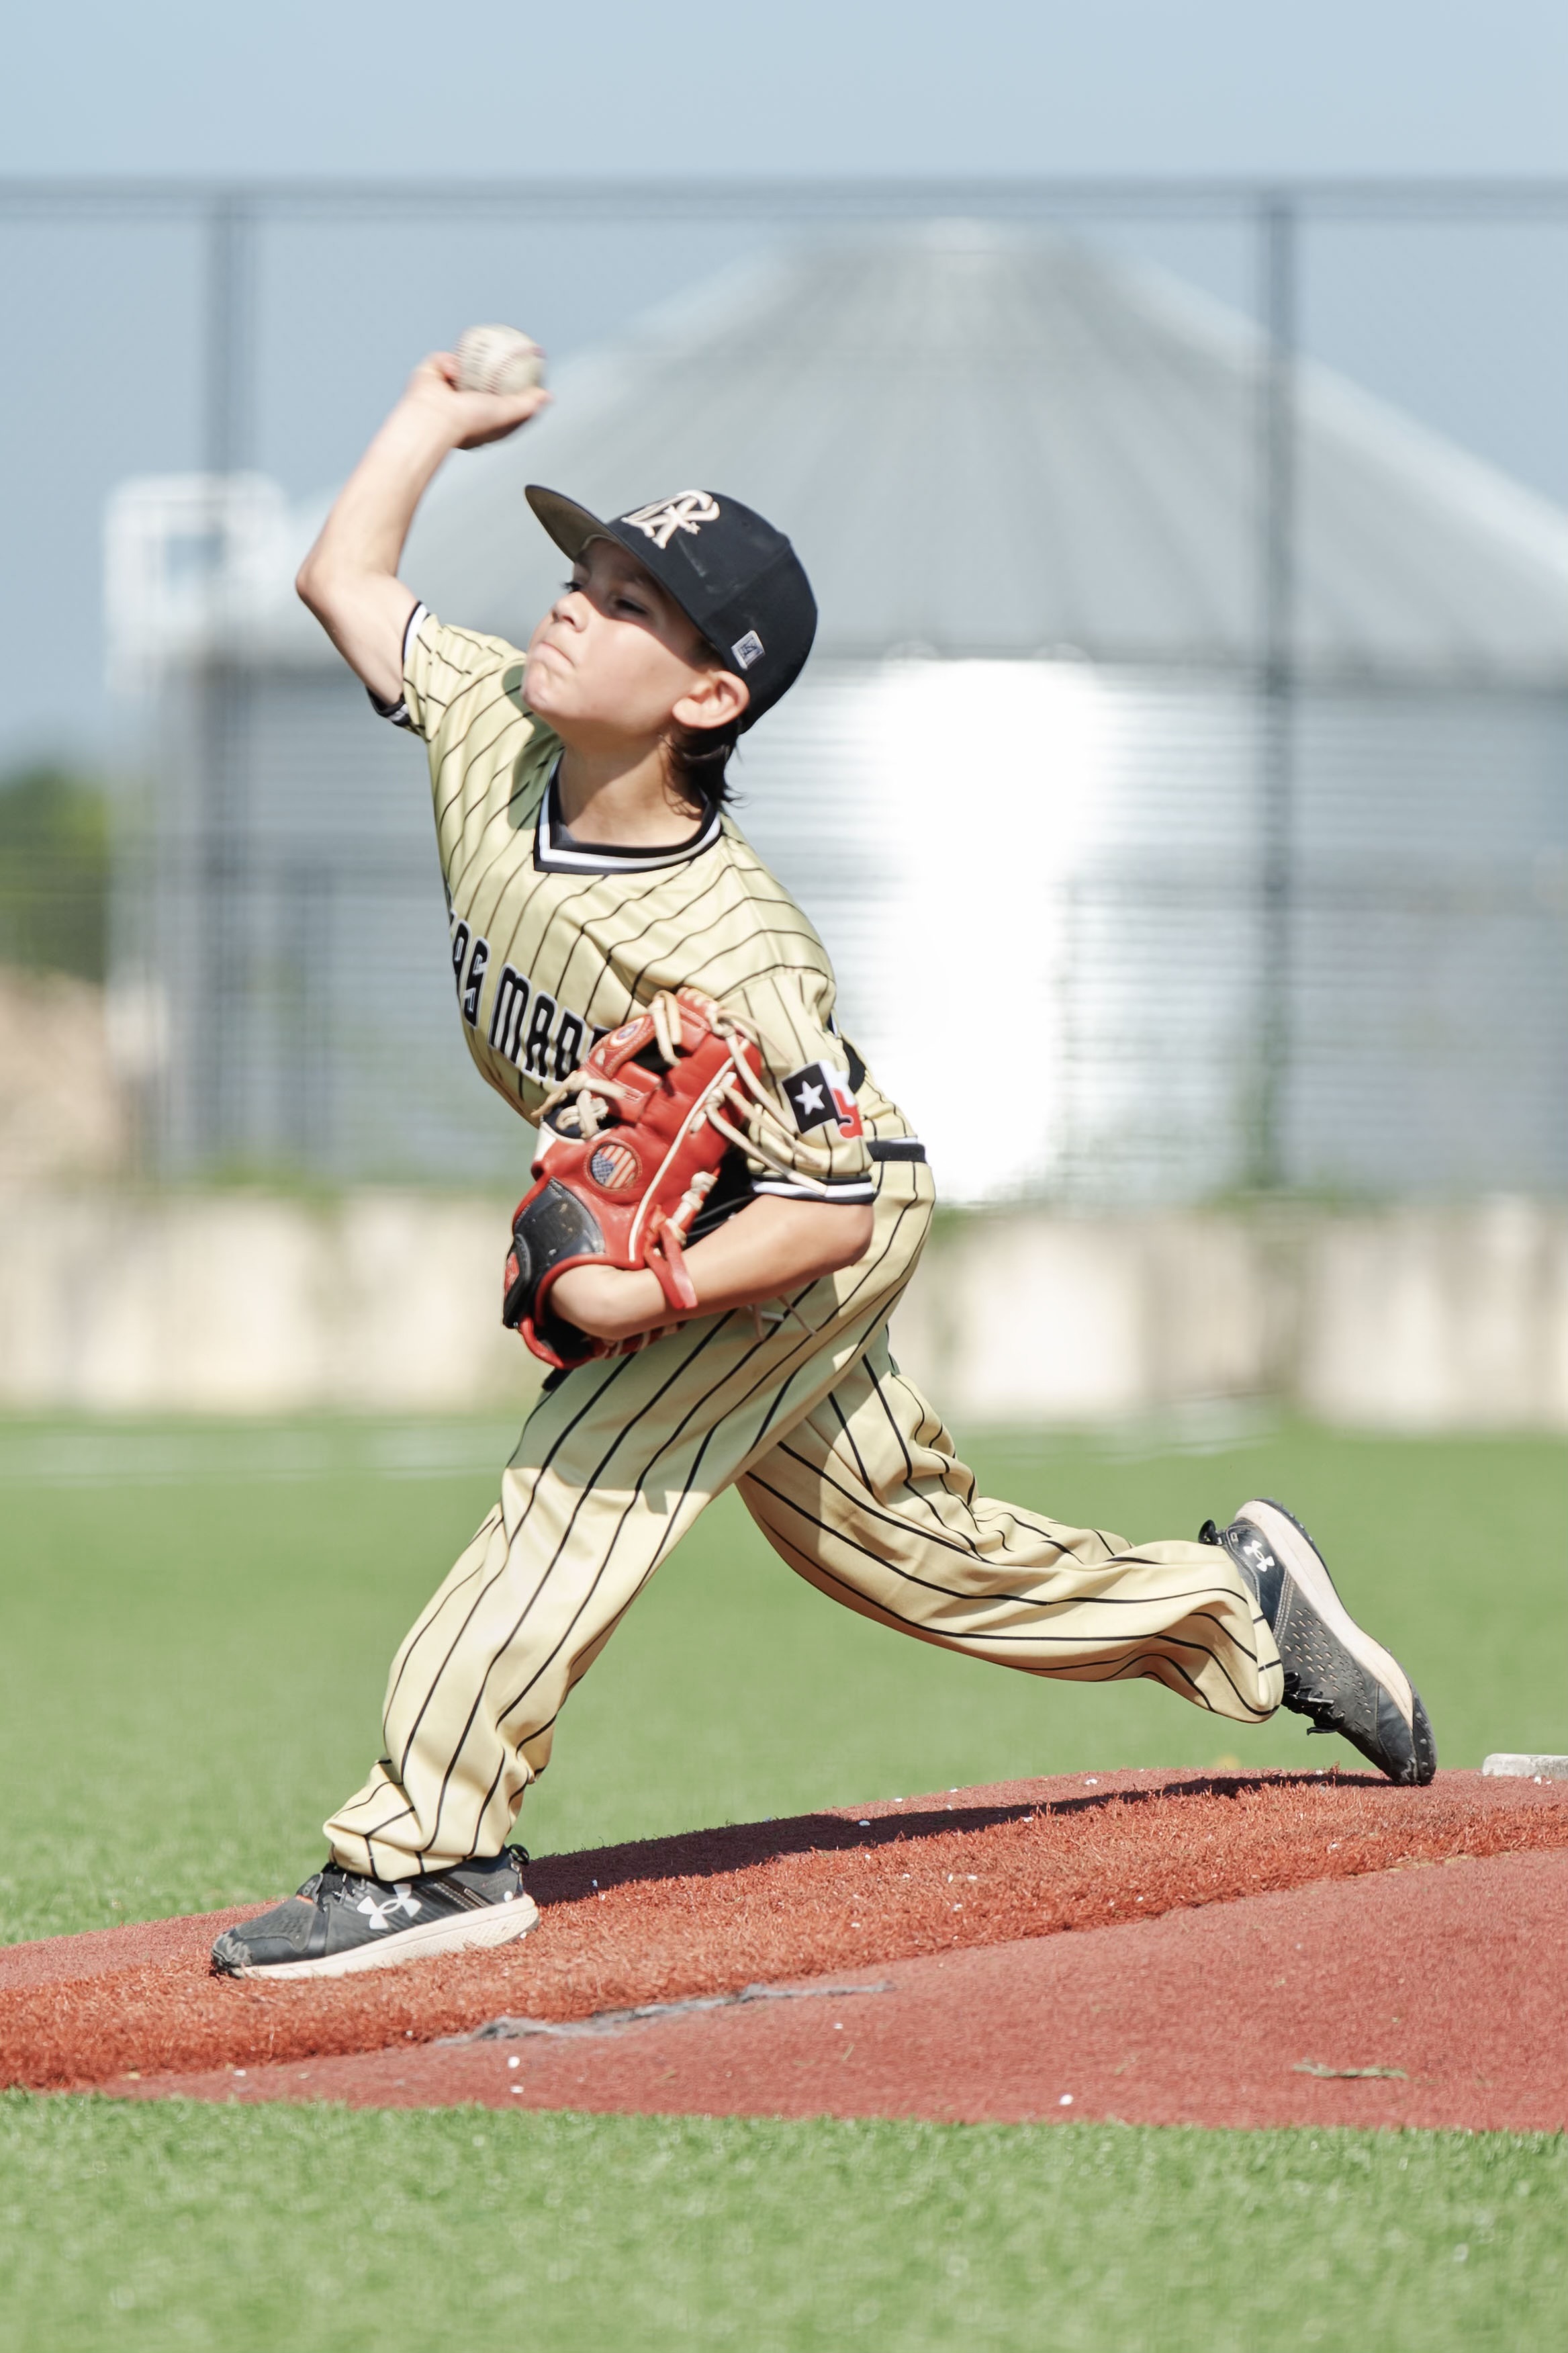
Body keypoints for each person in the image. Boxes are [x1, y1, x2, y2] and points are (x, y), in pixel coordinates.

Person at [212, 349, 1435, 1980]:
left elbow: (828, 1203)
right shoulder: (490, 724)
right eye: (582, 572)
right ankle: (1233, 1607)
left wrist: (646, 1292)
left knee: (579, 1486)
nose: (575, 606)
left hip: (790, 1212)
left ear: (711, 695)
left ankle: (429, 1850)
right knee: (902, 1548)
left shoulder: (742, 951)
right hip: (749, 1204)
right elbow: (342, 577)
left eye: (633, 601)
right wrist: (432, 417)